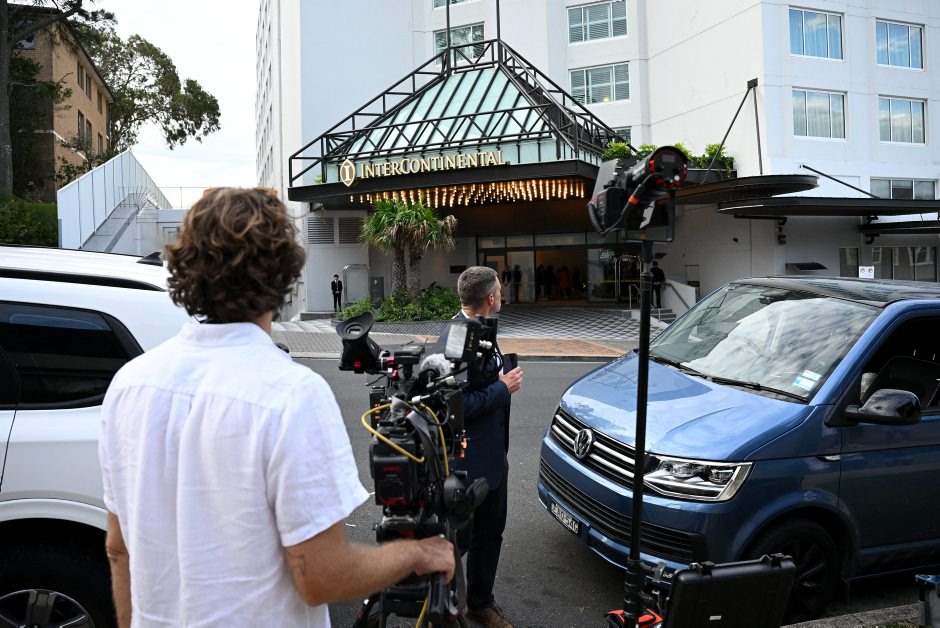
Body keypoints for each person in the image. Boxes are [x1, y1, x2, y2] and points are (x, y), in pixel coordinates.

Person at [99, 188, 453, 628]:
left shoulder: (129, 384)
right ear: (283, 276)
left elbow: (118, 549)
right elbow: (321, 576)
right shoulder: (292, 394)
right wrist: (418, 553)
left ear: (186, 269)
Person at [438, 266, 523, 628]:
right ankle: (444, 606)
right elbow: (453, 405)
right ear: (490, 298)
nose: (502, 296)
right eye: (500, 291)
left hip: (493, 457)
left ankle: (480, 603)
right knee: (458, 540)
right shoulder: (457, 336)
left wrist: (500, 375)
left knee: (490, 534)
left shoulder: (483, 327)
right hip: (467, 463)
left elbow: (477, 381)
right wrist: (502, 388)